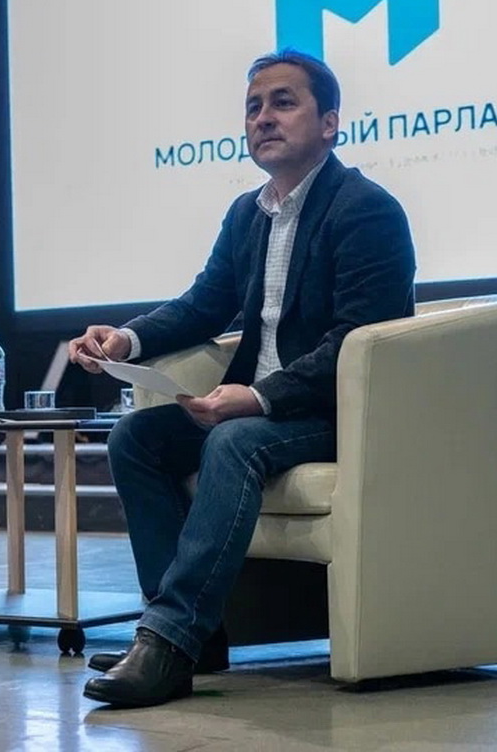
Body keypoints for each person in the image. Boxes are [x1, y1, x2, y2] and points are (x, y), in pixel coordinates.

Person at [68, 50, 415, 707]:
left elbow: (354, 340)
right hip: (260, 410)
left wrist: (257, 396)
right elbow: (204, 304)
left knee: (233, 441)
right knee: (136, 439)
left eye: (283, 102)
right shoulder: (247, 214)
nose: (263, 118)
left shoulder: (366, 210)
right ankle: (192, 638)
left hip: (336, 412)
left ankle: (167, 643)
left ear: (330, 123)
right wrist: (126, 339)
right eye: (253, 107)